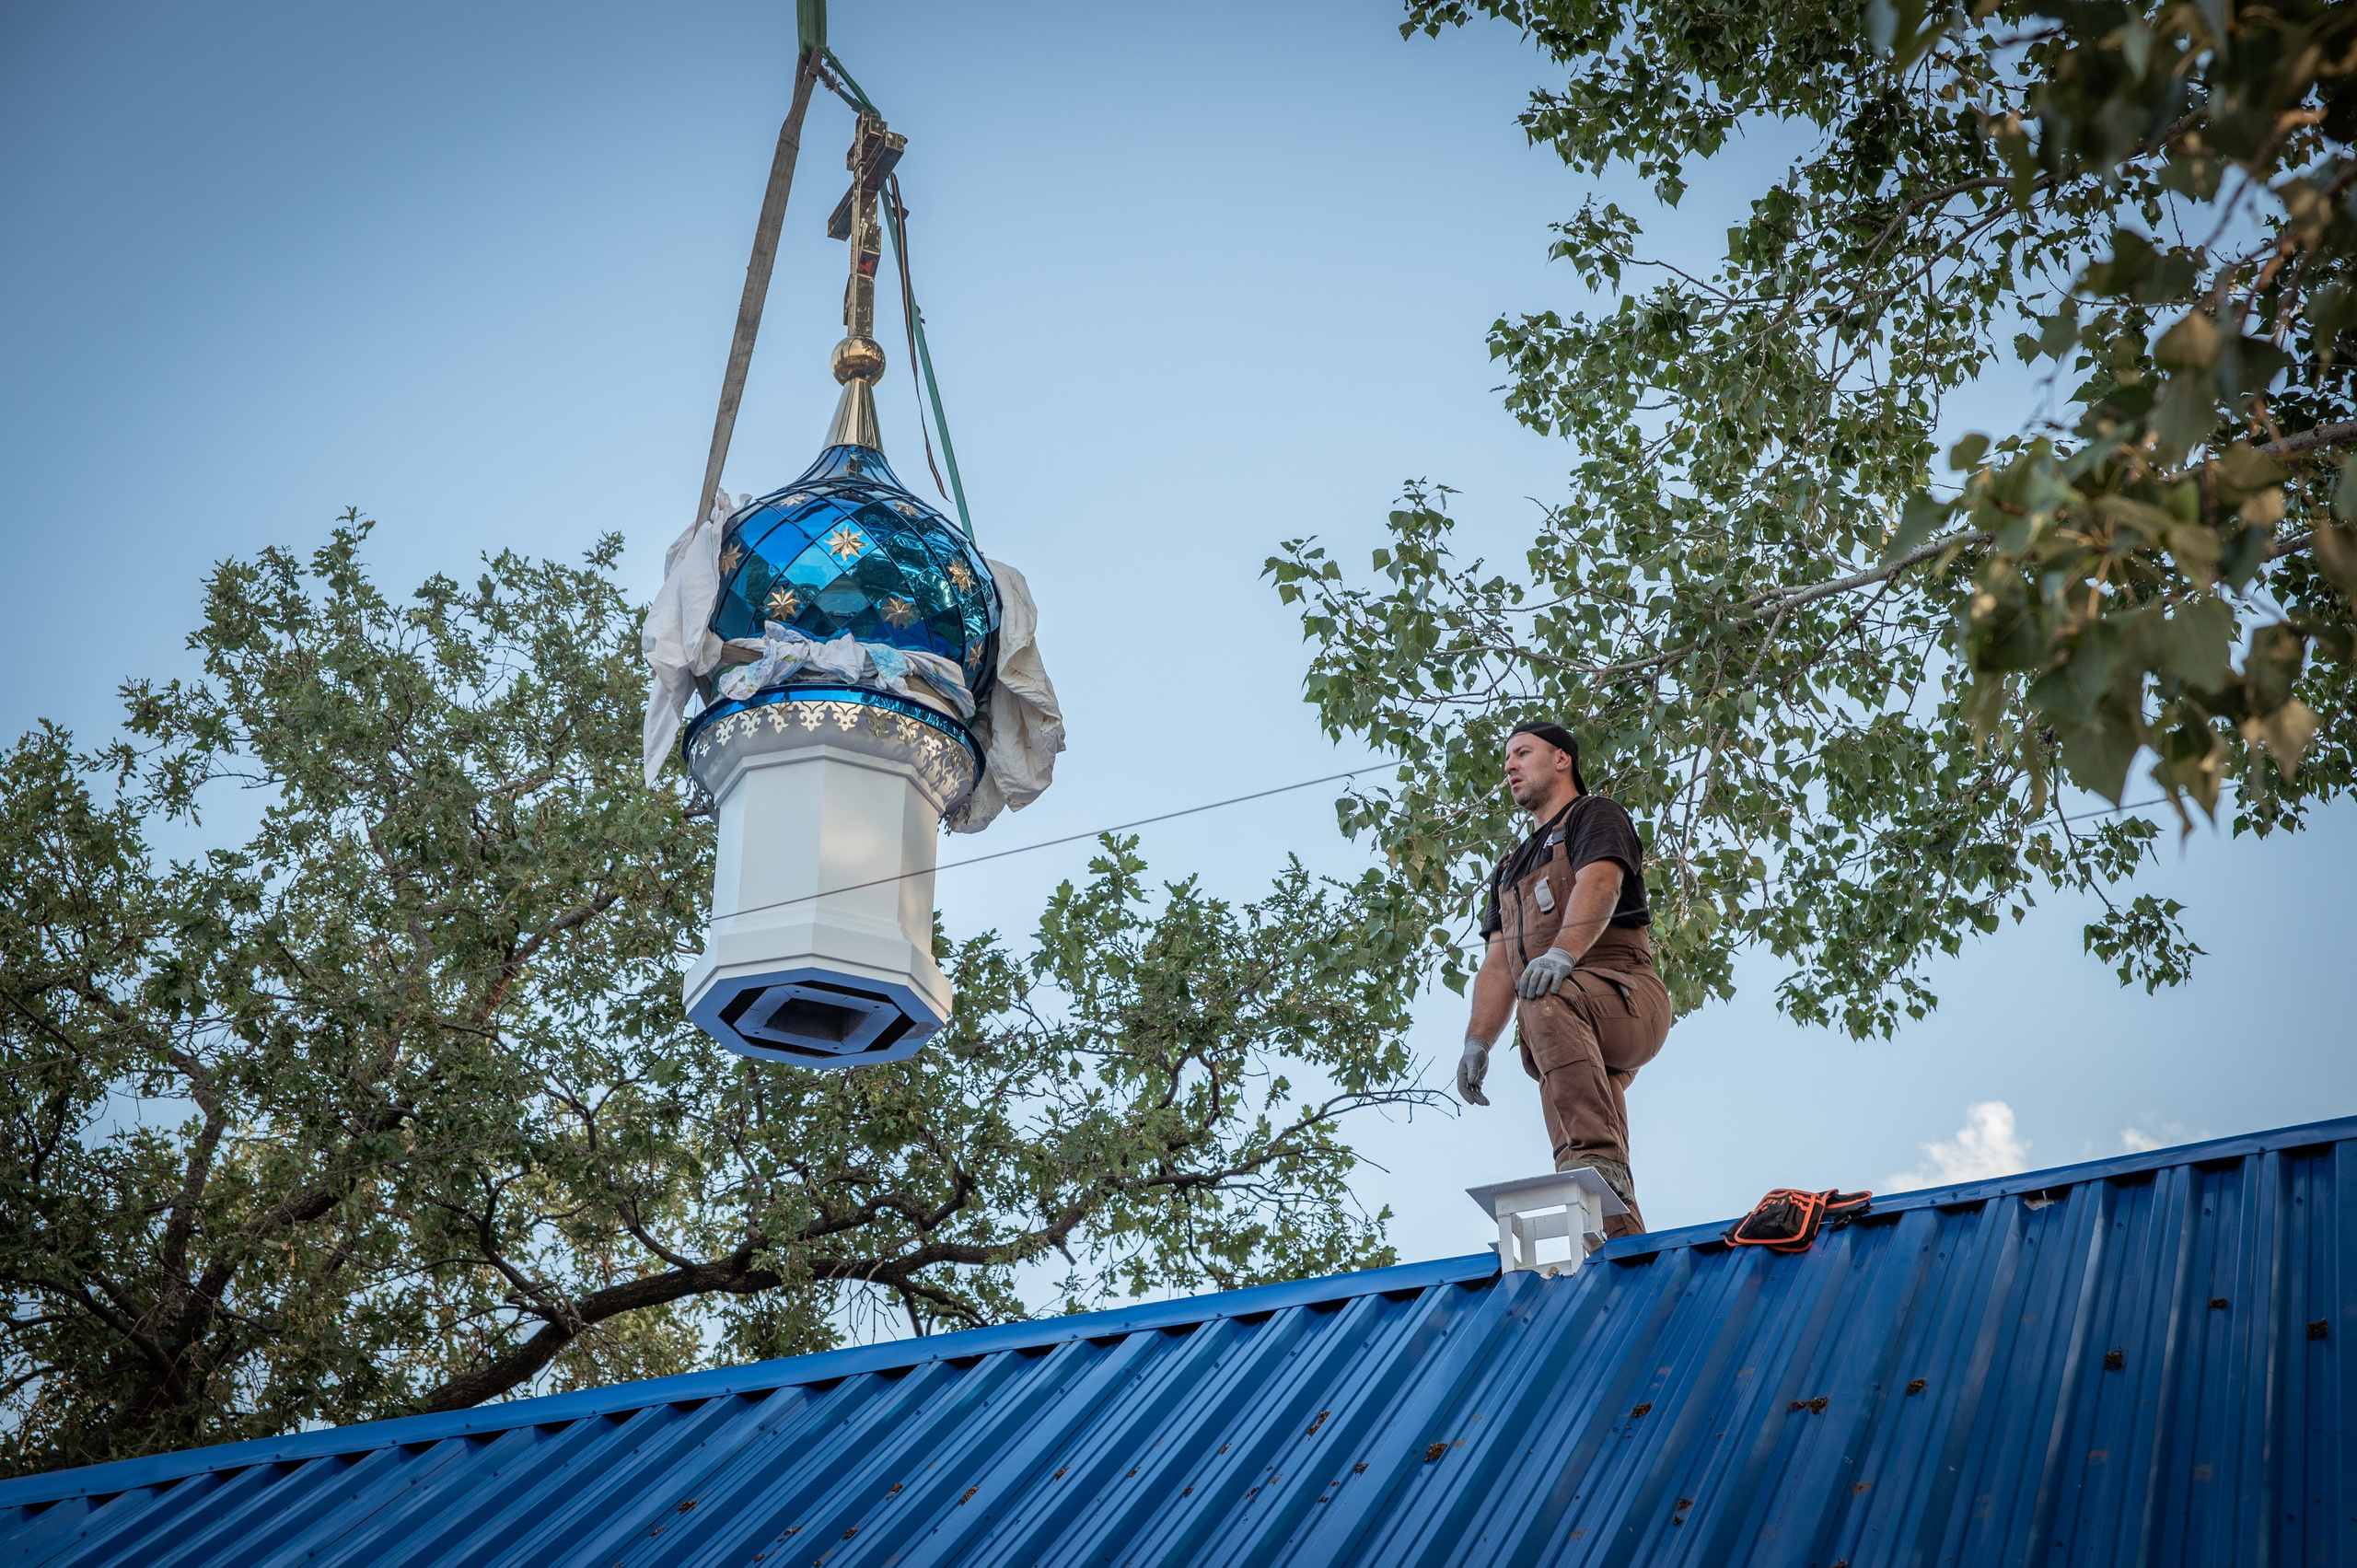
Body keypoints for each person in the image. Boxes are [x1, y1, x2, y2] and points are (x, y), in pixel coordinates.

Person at [1457, 722, 1673, 1236]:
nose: (1509, 766)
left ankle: (1597, 1164)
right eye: (1506, 758)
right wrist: (1477, 1039)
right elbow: (1497, 963)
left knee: (1543, 999)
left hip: (1625, 995)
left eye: (1522, 753)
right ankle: (1619, 1250)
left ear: (1561, 760)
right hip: (1564, 1027)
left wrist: (1561, 954)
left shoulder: (1594, 815)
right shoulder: (1509, 869)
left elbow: (1600, 880)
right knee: (1580, 1148)